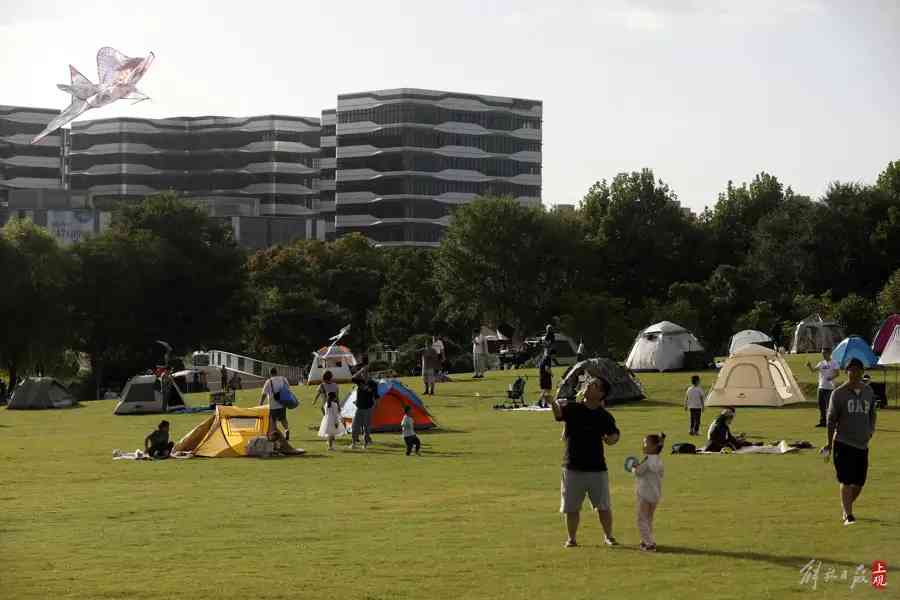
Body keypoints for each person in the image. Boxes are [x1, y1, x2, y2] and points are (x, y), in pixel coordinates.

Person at [550, 377, 620, 548]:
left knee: (603, 506)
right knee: (571, 507)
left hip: (597, 468)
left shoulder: (604, 416)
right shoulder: (573, 408)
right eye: (589, 382)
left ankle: (608, 536)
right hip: (572, 466)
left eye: (594, 385)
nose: (589, 385)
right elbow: (559, 415)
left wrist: (610, 439)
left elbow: (614, 435)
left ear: (601, 393)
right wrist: (551, 401)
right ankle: (571, 539)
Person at [821, 358, 877, 526]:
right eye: (851, 370)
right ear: (846, 372)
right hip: (843, 443)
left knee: (859, 483)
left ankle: (845, 506)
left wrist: (870, 430)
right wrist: (829, 443)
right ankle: (848, 515)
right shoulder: (838, 393)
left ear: (862, 372)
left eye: (858, 370)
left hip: (862, 444)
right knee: (846, 480)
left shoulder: (868, 392)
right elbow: (831, 420)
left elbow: (872, 414)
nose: (855, 373)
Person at [631, 432, 666, 552]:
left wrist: (634, 467)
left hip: (644, 494)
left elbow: (638, 472)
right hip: (655, 495)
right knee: (649, 518)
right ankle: (647, 539)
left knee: (641, 519)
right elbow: (660, 474)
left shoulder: (647, 460)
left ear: (654, 447)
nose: (643, 446)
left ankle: (649, 543)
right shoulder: (659, 461)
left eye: (646, 443)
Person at [807, 348, 840, 428]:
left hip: (830, 388)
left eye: (824, 353)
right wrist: (809, 366)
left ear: (829, 353)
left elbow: (837, 373)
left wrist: (831, 378)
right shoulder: (821, 363)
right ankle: (823, 422)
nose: (823, 355)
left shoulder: (834, 363)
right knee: (821, 406)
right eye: (822, 353)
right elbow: (813, 370)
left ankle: (831, 422)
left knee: (829, 406)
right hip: (821, 387)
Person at [259, 367, 291, 440]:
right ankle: (286, 430)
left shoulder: (269, 381)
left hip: (273, 405)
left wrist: (260, 403)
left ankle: (274, 435)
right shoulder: (283, 379)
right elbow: (288, 389)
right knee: (283, 418)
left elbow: (264, 394)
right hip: (282, 403)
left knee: (273, 420)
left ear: (270, 373)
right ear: (277, 372)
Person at [350, 369, 378, 449]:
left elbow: (375, 395)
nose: (363, 375)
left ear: (369, 374)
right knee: (355, 426)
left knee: (367, 427)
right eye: (362, 374)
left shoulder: (373, 383)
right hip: (359, 407)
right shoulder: (360, 381)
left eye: (365, 373)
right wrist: (361, 370)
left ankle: (365, 444)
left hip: (368, 408)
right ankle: (353, 443)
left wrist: (376, 404)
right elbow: (352, 378)